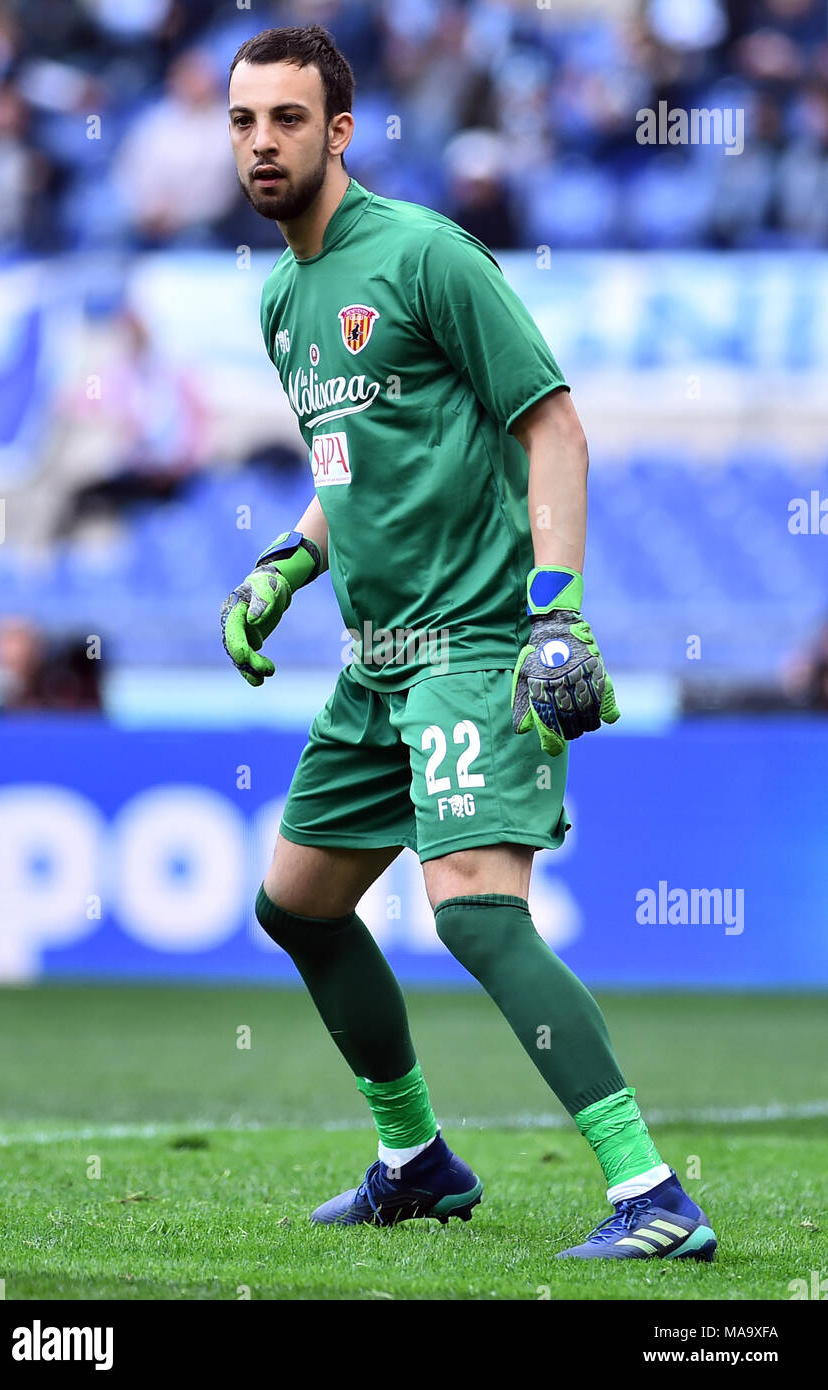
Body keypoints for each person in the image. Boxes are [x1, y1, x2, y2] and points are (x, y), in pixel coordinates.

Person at [221, 24, 716, 1260]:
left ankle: (649, 1192)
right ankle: (416, 1161)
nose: (261, 143)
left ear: (338, 132)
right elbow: (353, 471)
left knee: (475, 914)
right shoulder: (283, 300)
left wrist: (556, 605)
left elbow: (552, 424)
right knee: (298, 906)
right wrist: (288, 559)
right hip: (373, 657)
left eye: (287, 120)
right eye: (242, 122)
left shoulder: (427, 255)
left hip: (475, 640)